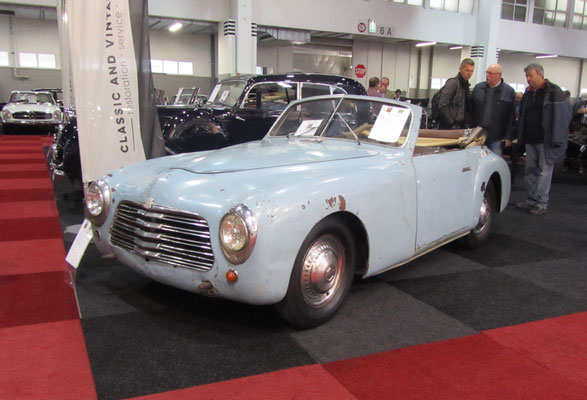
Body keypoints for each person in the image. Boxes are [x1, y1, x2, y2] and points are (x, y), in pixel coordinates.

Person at [515, 63, 572, 215]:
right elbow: (523, 116)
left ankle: (541, 203)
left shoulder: (554, 92)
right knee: (529, 171)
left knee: (544, 173)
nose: (528, 79)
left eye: (530, 76)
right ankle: (531, 200)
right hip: (530, 139)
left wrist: (557, 140)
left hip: (546, 141)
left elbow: (563, 117)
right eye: (526, 76)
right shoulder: (528, 93)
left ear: (540, 75)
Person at [471, 63, 516, 156]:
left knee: (495, 161)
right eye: (487, 72)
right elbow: (470, 109)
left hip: (497, 136)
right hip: (477, 133)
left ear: (499, 75)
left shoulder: (509, 91)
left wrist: (508, 137)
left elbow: (511, 117)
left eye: (490, 73)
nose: (487, 75)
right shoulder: (479, 88)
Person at [437, 58, 475, 129]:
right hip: (449, 126)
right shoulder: (453, 83)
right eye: (467, 70)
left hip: (460, 125)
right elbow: (442, 105)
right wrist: (452, 123)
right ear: (460, 69)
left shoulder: (465, 85)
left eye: (471, 71)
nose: (469, 73)